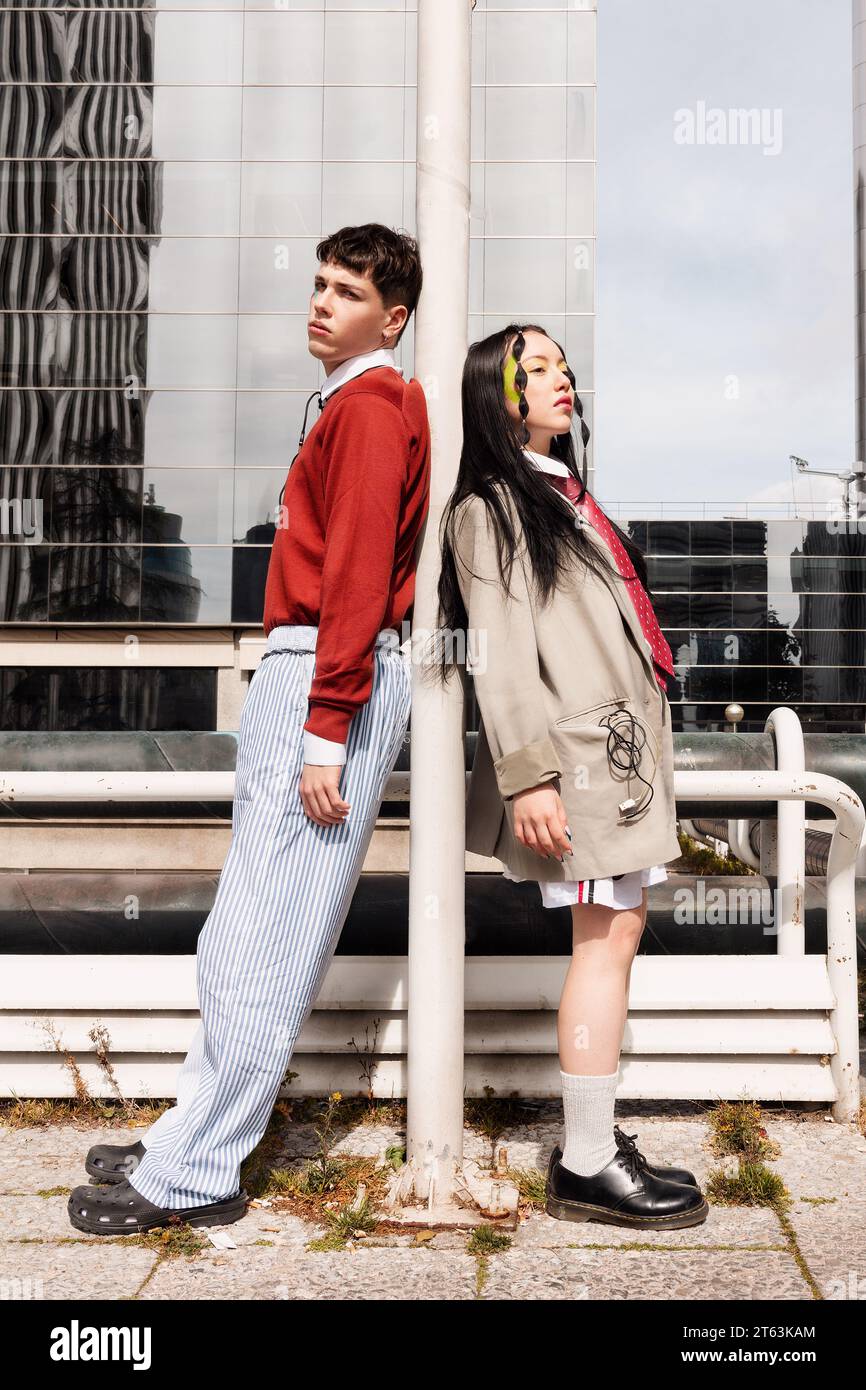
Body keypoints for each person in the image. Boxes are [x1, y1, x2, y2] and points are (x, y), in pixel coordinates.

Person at [68, 224, 431, 1236]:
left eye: (344, 290)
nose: (318, 301)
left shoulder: (373, 404)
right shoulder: (346, 403)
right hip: (310, 665)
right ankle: (193, 1134)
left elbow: (358, 570)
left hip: (329, 669)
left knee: (264, 940)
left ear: (390, 316)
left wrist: (326, 729)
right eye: (316, 283)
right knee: (241, 930)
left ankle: (200, 1173)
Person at [430, 322, 708, 1230]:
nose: (560, 379)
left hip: (615, 763)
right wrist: (528, 778)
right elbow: (501, 661)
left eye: (562, 365)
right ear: (493, 393)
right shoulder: (490, 508)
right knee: (607, 939)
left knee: (616, 933)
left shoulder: (565, 496)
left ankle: (594, 1144)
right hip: (578, 770)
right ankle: (586, 1159)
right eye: (534, 368)